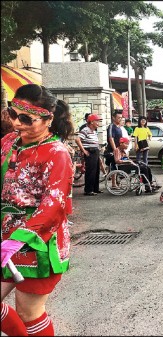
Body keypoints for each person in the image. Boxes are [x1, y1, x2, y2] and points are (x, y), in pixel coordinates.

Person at [1, 84, 74, 336]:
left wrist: (17, 241)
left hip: (38, 243)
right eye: (13, 115)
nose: (17, 124)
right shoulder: (9, 142)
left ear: (48, 119)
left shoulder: (57, 153)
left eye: (26, 119)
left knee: (28, 312)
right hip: (4, 238)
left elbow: (54, 206)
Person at [75, 113, 103, 196]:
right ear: (91, 122)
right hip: (90, 152)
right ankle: (88, 190)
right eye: (97, 121)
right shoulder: (85, 130)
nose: (98, 123)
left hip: (95, 151)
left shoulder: (94, 131)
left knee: (96, 171)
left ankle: (95, 188)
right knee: (91, 171)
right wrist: (83, 150)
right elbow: (77, 139)